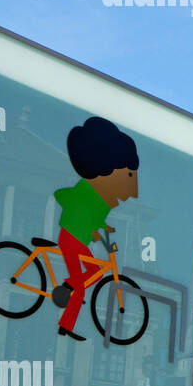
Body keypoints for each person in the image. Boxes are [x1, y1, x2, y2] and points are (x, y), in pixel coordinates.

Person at [51, 117, 139, 342]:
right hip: (70, 240)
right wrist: (99, 230)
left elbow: (95, 222)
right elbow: (76, 210)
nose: (133, 191)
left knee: (94, 270)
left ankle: (67, 286)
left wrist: (102, 230)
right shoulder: (89, 193)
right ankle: (65, 325)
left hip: (77, 241)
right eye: (128, 175)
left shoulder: (99, 200)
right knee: (80, 290)